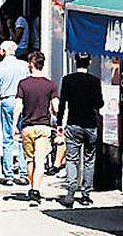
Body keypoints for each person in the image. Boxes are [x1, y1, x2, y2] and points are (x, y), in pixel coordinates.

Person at [57, 52, 103, 207]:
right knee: (89, 160)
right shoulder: (94, 81)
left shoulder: (68, 80)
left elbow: (62, 104)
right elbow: (99, 103)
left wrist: (59, 124)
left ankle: (70, 191)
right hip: (90, 124)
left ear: (75, 62)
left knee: (72, 158)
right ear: (89, 62)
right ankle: (86, 194)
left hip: (73, 124)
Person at [16, 52, 58, 206]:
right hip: (44, 126)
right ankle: (36, 190)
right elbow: (55, 106)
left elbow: (18, 106)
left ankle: (32, 187)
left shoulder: (23, 84)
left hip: (27, 126)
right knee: (40, 160)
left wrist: (15, 124)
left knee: (29, 160)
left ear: (31, 64)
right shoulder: (50, 84)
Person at [0, 41, 29, 185]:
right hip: (23, 100)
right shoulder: (24, 66)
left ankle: (9, 174)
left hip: (6, 100)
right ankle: (24, 172)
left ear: (3, 51)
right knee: (21, 135)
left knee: (7, 136)